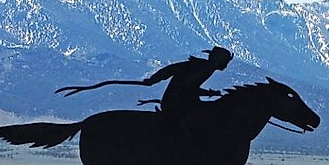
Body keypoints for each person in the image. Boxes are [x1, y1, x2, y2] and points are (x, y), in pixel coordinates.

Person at [56, 46, 234, 115]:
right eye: (225, 62)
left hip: (182, 101)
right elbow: (186, 87)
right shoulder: (203, 68)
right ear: (217, 59)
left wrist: (154, 80)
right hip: (178, 103)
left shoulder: (202, 66)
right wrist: (210, 93)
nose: (226, 65)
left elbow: (172, 70)